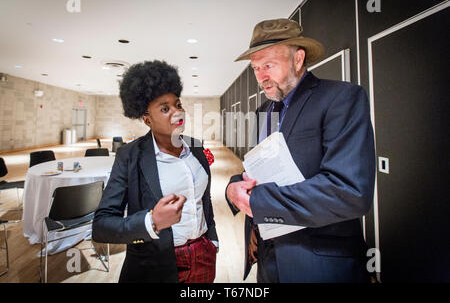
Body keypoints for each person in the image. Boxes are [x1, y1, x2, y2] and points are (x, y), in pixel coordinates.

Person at [226, 18, 376, 283]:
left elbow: (350, 191)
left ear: (298, 59)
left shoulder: (341, 98)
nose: (261, 77)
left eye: (269, 65)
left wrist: (259, 202)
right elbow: (258, 169)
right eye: (256, 68)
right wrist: (233, 186)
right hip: (268, 260)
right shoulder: (263, 112)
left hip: (319, 264)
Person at [93, 60, 218, 283]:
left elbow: (204, 200)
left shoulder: (196, 148)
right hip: (155, 266)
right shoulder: (130, 156)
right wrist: (152, 222)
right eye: (164, 108)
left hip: (203, 258)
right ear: (147, 119)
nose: (177, 112)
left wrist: (212, 240)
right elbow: (102, 225)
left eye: (178, 105)